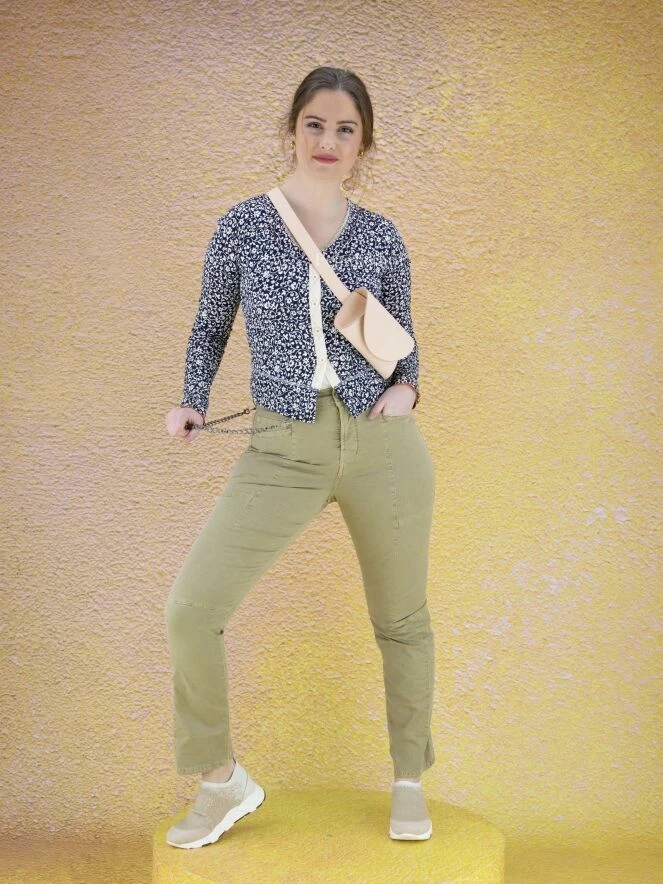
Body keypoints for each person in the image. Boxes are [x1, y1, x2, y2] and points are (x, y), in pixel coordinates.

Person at [163, 65, 436, 848]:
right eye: (314, 123)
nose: (327, 140)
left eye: (345, 129)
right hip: (281, 444)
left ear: (363, 144)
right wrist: (191, 399)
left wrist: (407, 391)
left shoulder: (380, 235)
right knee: (191, 610)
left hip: (381, 446)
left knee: (401, 621)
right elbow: (210, 324)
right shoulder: (245, 226)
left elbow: (404, 342)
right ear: (291, 129)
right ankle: (221, 780)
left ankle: (409, 779)